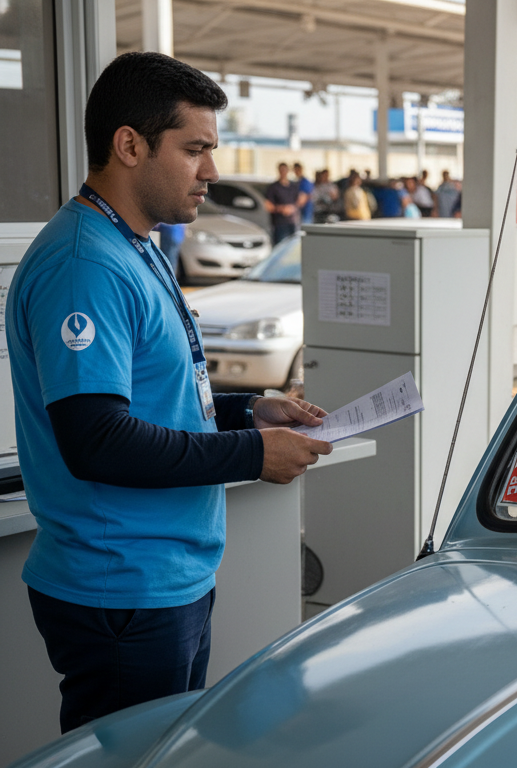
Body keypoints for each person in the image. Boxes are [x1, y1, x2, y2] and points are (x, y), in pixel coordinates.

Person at [9, 52, 333, 733]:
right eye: (194, 150)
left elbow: (155, 395)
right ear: (130, 145)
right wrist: (253, 454)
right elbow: (96, 439)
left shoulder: (135, 244)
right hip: (122, 586)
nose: (211, 171)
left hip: (163, 575)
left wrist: (249, 410)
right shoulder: (85, 265)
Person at [263, 162, 303, 243]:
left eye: (285, 170)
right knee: (280, 244)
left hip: (292, 221)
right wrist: (282, 209)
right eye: (281, 170)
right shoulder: (273, 187)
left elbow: (299, 201)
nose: (283, 172)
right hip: (279, 222)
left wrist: (293, 208)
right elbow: (268, 206)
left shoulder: (293, 187)